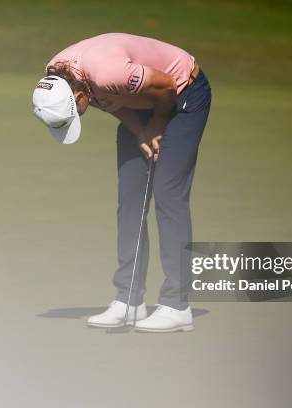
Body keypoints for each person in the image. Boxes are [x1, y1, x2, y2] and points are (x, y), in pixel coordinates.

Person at [32, 33, 211, 332]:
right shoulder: (58, 78)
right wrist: (139, 132)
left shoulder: (109, 73)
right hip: (141, 97)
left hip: (182, 93)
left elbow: (166, 87)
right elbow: (111, 102)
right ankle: (129, 298)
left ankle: (177, 305)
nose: (81, 116)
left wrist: (155, 125)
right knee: (130, 198)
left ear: (77, 97)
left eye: (78, 112)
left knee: (167, 194)